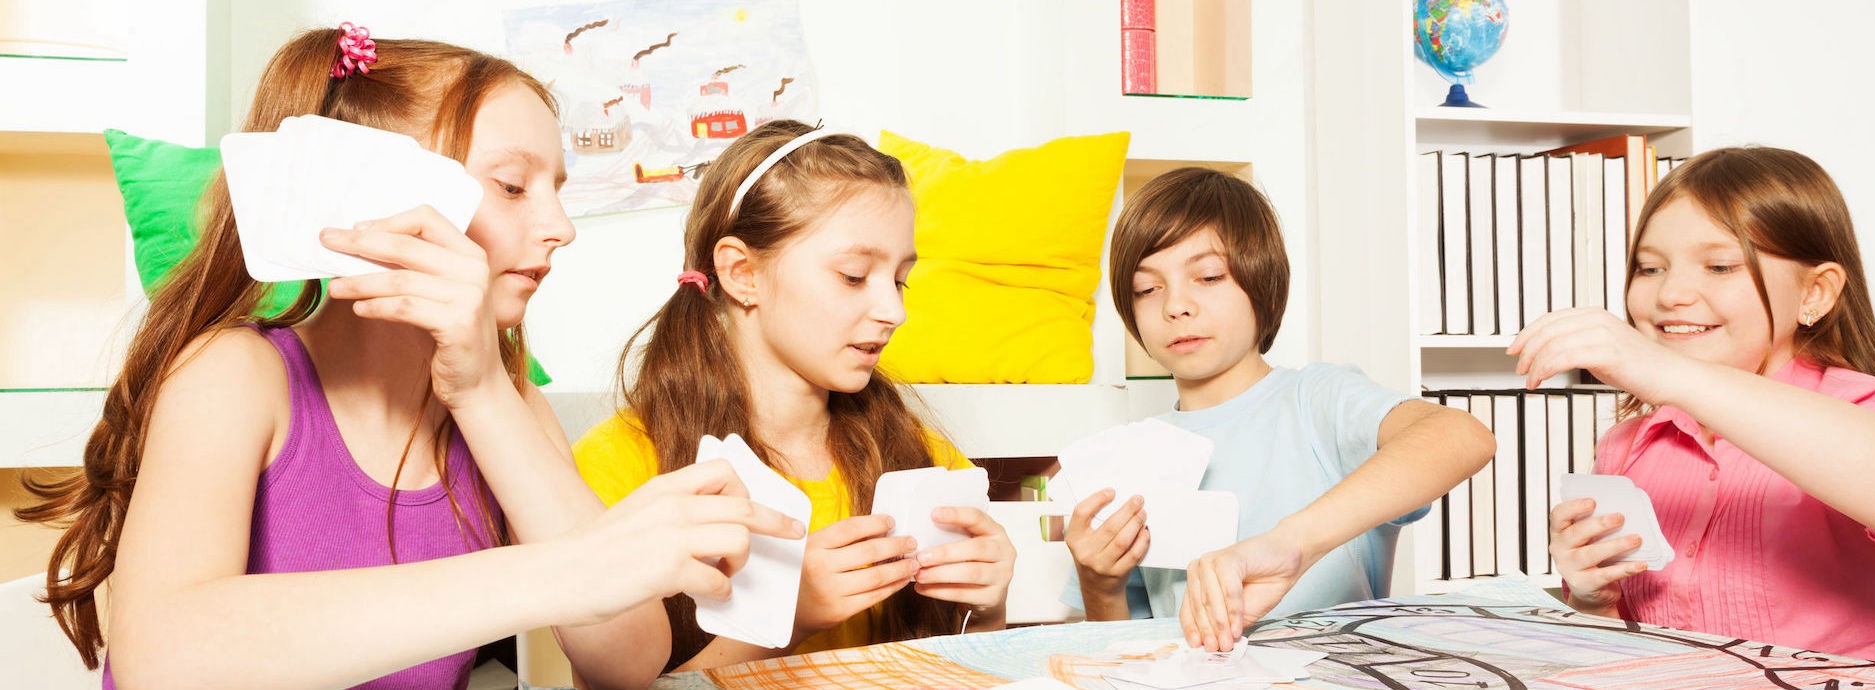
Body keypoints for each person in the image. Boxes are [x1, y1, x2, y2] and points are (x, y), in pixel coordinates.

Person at [15, 25, 803, 689]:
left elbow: (622, 662)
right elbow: (164, 658)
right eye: (512, 186)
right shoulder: (235, 375)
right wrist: (565, 571)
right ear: (368, 196)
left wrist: (484, 392)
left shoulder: (508, 403)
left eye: (558, 189)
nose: (561, 226)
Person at [571, 120, 1016, 670]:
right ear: (742, 273)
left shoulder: (921, 459)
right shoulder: (620, 465)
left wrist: (988, 608)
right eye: (854, 276)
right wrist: (789, 618)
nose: (895, 312)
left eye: (900, 280)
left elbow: (964, 665)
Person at [1062, 167, 1495, 652]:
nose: (1176, 306)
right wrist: (1100, 586)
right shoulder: (1132, 453)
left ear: (1261, 282)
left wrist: (1291, 543)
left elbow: (1462, 436)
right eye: (1147, 289)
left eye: (1207, 277)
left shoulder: (1318, 401)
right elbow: (1122, 655)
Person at [1516, 146, 1875, 665]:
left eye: (1720, 266)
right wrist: (1596, 603)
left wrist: (1671, 373)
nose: (1672, 294)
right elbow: (1618, 654)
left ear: (1815, 292)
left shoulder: (1870, 415)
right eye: (1649, 268)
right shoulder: (1628, 447)